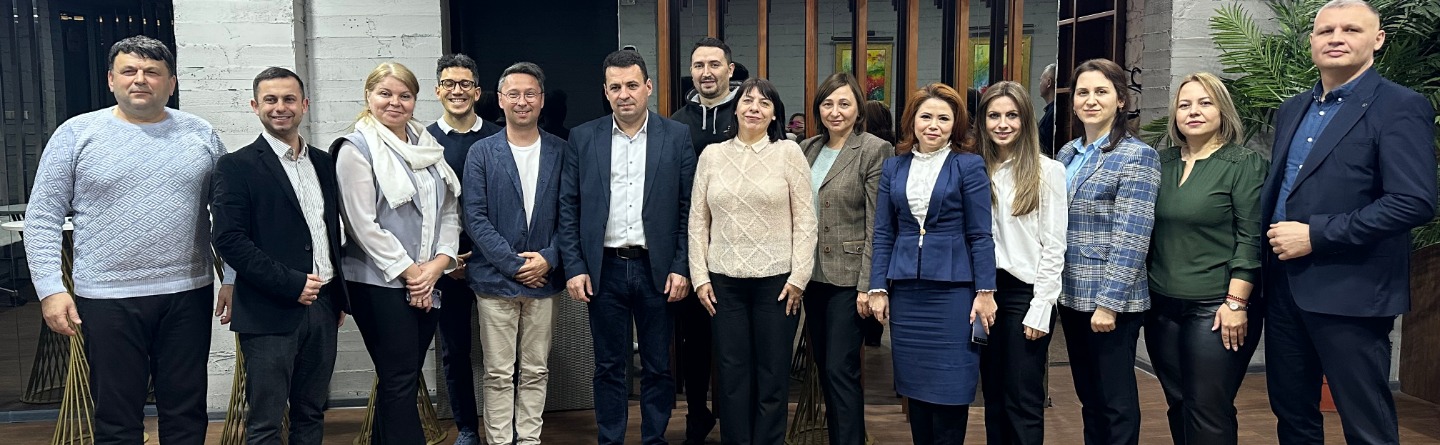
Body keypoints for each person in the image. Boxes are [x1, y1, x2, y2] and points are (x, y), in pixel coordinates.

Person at [26, 36, 224, 445]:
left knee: (186, 412)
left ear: (171, 82)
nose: (141, 80)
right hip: (106, 296)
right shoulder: (77, 134)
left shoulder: (201, 134)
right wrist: (50, 289)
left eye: (152, 72)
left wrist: (234, 278)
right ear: (111, 80)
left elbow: (228, 215)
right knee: (117, 417)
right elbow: (43, 217)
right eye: (129, 71)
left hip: (188, 292)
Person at [1262, 1, 1436, 443]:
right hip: (1283, 287)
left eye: (1350, 30)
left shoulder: (1400, 106)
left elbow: (1413, 202)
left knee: (1366, 425)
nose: (1335, 38)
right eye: (1325, 31)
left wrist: (1316, 236)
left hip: (1352, 291)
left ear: (1377, 40)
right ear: (1312, 41)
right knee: (1293, 416)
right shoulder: (1293, 109)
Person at [559, 49, 696, 445]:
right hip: (605, 268)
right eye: (615, 87)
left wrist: (681, 265)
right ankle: (611, 439)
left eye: (632, 85)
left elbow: (689, 208)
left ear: (648, 87)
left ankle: (654, 439)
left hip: (659, 269)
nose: (624, 95)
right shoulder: (584, 138)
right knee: (608, 366)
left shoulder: (676, 136)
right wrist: (575, 267)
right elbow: (568, 207)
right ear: (605, 91)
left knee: (657, 366)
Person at [210, 67, 348, 445]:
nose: (280, 107)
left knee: (311, 412)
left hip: (322, 304)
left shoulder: (324, 162)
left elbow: (330, 232)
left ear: (304, 105)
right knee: (266, 421)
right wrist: (291, 284)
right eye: (270, 100)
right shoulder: (236, 166)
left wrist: (336, 294)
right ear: (255, 106)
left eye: (289, 99)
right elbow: (229, 239)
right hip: (268, 309)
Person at [332, 61, 461, 444]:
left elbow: (449, 210)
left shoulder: (426, 146)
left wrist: (437, 266)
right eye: (385, 93)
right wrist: (412, 274)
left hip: (429, 279)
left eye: (405, 95)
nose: (395, 102)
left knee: (401, 379)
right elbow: (361, 224)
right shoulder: (355, 149)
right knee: (400, 379)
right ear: (368, 96)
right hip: (379, 282)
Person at [866, 82, 996, 445]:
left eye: (943, 118)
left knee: (951, 390)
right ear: (912, 121)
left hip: (954, 293)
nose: (933, 125)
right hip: (907, 292)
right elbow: (883, 233)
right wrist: (878, 287)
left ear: (955, 124)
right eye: (926, 116)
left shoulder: (968, 165)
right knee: (915, 390)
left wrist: (985, 291)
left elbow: (980, 234)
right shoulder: (894, 167)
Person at [1143, 71, 1267, 445]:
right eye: (1185, 105)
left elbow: (1251, 238)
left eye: (1204, 102)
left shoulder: (1244, 163)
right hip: (1161, 307)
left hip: (1217, 307)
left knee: (1208, 407)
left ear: (1222, 111)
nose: (1193, 111)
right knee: (1179, 403)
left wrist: (1236, 302)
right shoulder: (1159, 162)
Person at [690, 78, 815, 445]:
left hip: (778, 283)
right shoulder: (712, 155)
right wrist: (700, 277)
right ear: (736, 107)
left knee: (772, 372)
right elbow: (698, 220)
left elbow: (807, 219)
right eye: (747, 100)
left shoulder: (789, 153)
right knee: (730, 374)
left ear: (774, 112)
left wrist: (799, 277)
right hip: (723, 281)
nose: (754, 107)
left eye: (764, 102)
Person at [1055, 58, 1160, 445]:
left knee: (1115, 401)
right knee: (1089, 397)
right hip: (1071, 293)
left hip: (1110, 300)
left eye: (1102, 92)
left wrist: (1109, 303)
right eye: (1083, 92)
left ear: (1120, 100)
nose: (1091, 100)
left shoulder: (1137, 155)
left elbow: (1133, 236)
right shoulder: (1067, 153)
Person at [463, 61, 566, 445]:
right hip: (494, 281)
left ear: (541, 101)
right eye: (513, 94)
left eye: (529, 94)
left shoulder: (561, 150)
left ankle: (528, 439)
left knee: (537, 369)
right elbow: (474, 216)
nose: (521, 101)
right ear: (500, 100)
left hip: (545, 278)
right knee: (498, 372)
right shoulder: (481, 153)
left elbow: (570, 214)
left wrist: (550, 258)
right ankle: (500, 440)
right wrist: (513, 264)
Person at [797, 72, 891, 445]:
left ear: (858, 109)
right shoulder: (807, 148)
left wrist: (868, 285)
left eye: (844, 103)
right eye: (827, 103)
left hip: (849, 280)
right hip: (811, 278)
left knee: (840, 369)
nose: (835, 112)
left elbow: (877, 225)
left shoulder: (872, 149)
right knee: (824, 367)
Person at [973, 81, 1066, 445]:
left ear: (1026, 119)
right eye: (994, 115)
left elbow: (1055, 245)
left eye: (1012, 115)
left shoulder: (1047, 171)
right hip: (982, 292)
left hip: (1023, 294)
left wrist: (1042, 306)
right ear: (982, 121)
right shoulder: (974, 169)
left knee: (1023, 401)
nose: (1002, 123)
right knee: (993, 398)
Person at [423, 53, 501, 445]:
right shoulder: (422, 142)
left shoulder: (498, 137)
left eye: (465, 84)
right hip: (446, 264)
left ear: (478, 91)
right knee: (455, 351)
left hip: (494, 262)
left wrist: (492, 256)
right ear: (438, 90)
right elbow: (424, 209)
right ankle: (468, 428)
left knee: (501, 354)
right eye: (449, 84)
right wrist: (446, 260)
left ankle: (504, 426)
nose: (457, 91)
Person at [668, 36, 738, 442]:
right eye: (699, 65)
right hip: (693, 248)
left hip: (740, 249)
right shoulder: (676, 122)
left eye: (715, 64)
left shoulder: (750, 114)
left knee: (731, 343)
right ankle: (697, 415)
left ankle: (733, 418)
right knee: (693, 342)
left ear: (730, 69)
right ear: (691, 72)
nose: (706, 72)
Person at [1037, 63, 1058, 157]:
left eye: (1041, 80)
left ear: (1048, 83)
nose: (1039, 84)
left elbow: (1050, 149)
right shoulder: (1051, 111)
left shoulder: (1054, 113)